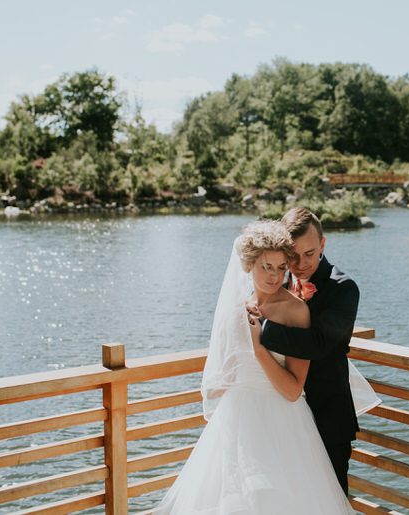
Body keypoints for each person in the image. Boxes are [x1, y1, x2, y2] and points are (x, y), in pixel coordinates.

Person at [155, 220, 377, 514]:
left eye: (280, 267)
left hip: (286, 422)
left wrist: (260, 348)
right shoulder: (238, 310)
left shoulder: (298, 308)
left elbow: (294, 386)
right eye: (266, 267)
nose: (275, 276)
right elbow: (227, 373)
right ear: (248, 266)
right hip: (238, 422)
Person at [251, 207, 366, 494]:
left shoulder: (344, 289)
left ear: (323, 245)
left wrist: (261, 328)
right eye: (292, 256)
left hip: (326, 415)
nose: (300, 264)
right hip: (281, 419)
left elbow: (318, 344)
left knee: (329, 500)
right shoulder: (277, 280)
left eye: (310, 254)